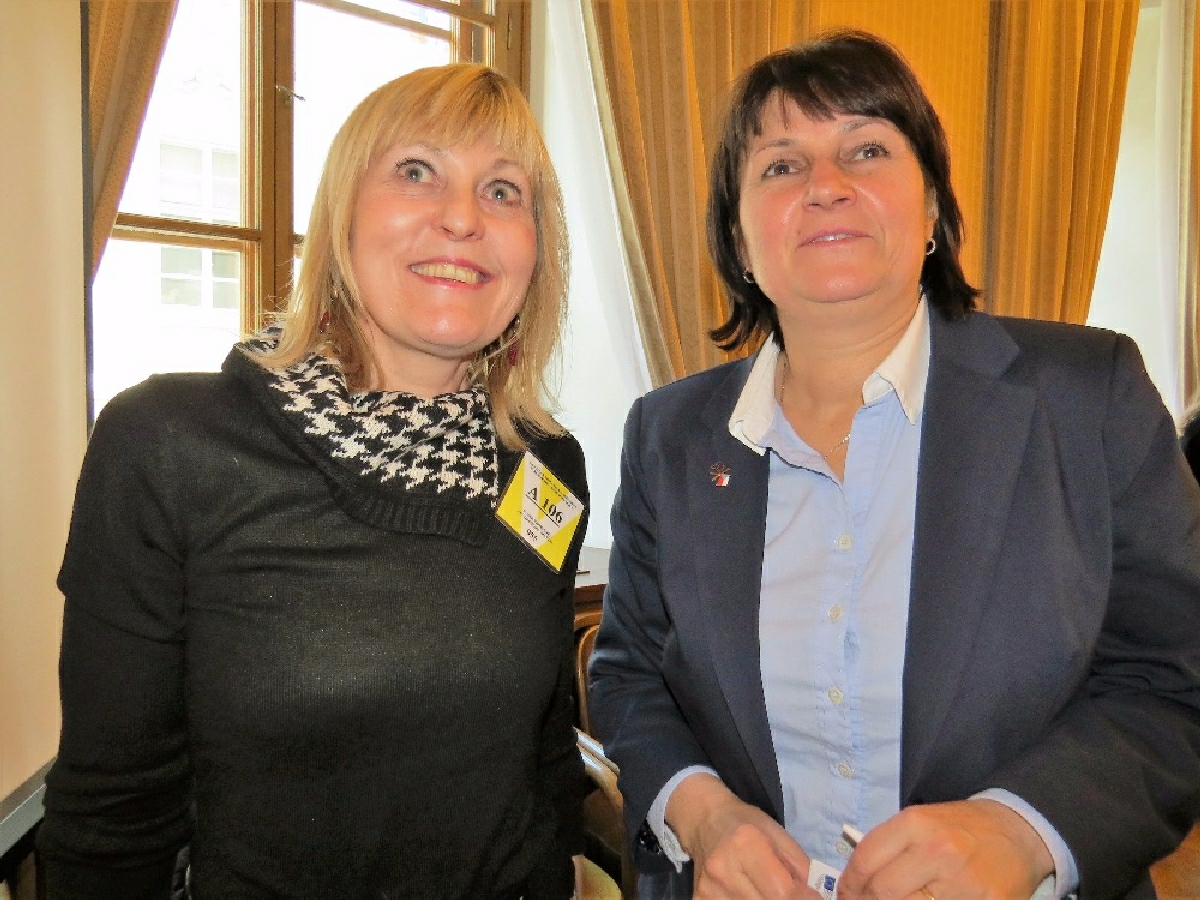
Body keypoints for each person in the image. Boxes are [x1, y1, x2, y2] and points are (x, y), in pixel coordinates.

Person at [589, 30, 1200, 900]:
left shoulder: (1087, 396)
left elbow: (1175, 678)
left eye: (867, 149)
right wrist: (704, 813)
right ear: (739, 239)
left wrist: (1024, 829)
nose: (826, 184)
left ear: (934, 210)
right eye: (781, 165)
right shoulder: (668, 435)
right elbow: (630, 675)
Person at [39, 63, 590, 900]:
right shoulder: (170, 444)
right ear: (342, 218)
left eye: (503, 191)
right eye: (417, 171)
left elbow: (544, 749)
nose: (462, 217)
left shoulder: (546, 465)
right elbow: (112, 816)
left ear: (536, 249)